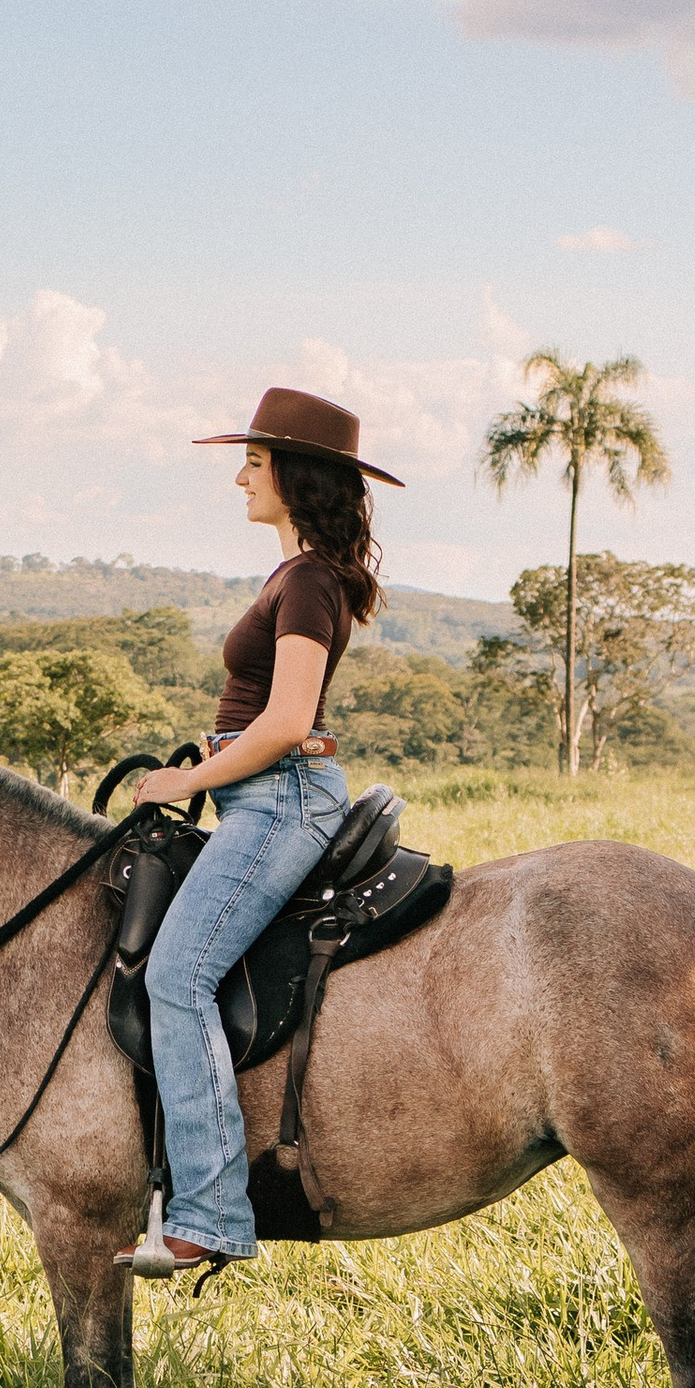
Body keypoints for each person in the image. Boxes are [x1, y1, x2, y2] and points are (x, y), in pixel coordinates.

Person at [118, 386, 400, 1280]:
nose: (241, 477)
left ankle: (207, 1211)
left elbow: (284, 722)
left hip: (281, 795)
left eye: (255, 462)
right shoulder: (295, 575)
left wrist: (186, 779)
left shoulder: (311, 580)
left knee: (178, 973)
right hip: (260, 794)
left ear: (294, 476)